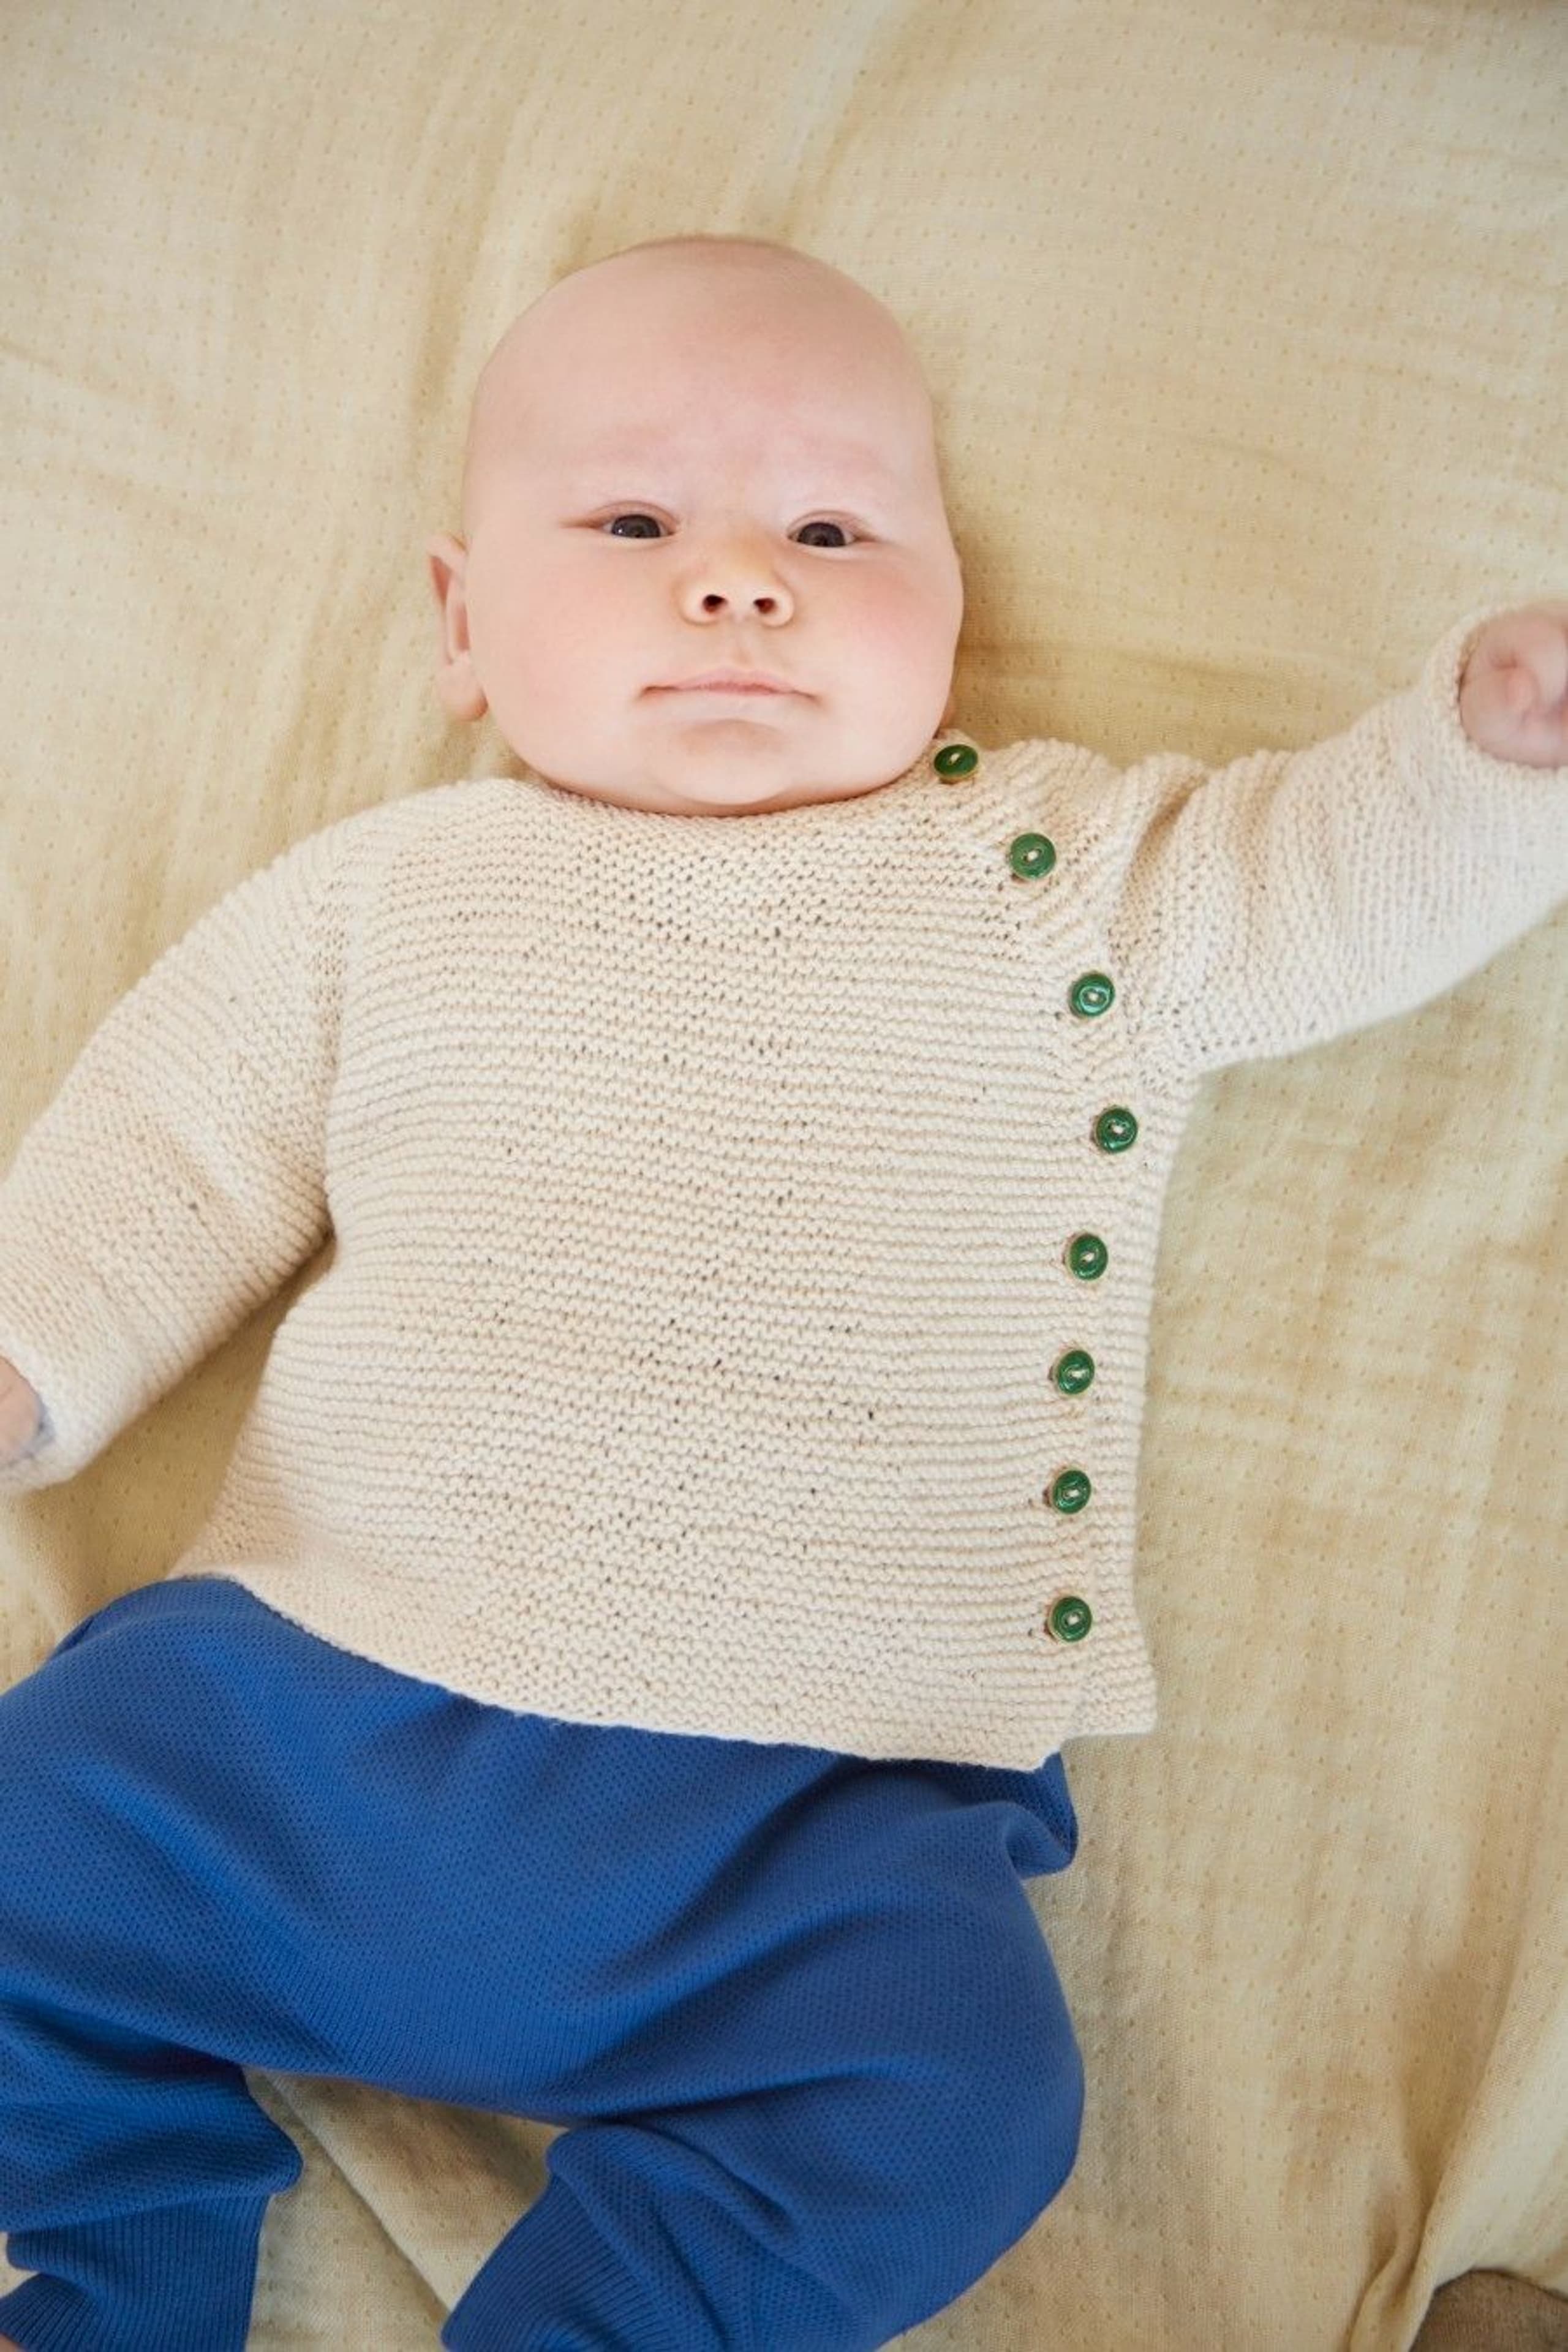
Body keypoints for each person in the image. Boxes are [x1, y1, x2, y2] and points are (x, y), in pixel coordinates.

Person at [0, 232, 1563, 2352]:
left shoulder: (1052, 882)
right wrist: (30, 1356)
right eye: (634, 524)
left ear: (950, 610)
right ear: (461, 622)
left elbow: (1316, 890)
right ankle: (118, 2269)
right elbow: (169, 1146)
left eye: (829, 532)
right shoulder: (388, 897)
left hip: (802, 1823)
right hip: (300, 1723)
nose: (739, 581)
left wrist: (1484, 763)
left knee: (962, 2099)